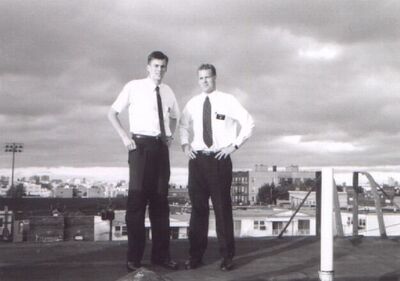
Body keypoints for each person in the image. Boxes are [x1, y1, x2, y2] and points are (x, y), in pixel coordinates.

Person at [108, 51, 180, 272]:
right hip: (140, 147)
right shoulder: (134, 87)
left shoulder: (167, 91)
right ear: (148, 67)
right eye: (156, 66)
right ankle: (134, 259)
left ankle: (161, 257)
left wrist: (171, 136)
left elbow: (176, 116)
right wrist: (124, 137)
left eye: (163, 67)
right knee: (137, 206)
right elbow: (112, 113)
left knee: (160, 204)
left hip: (161, 148)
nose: (159, 70)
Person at [179, 64, 254, 271]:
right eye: (201, 78)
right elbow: (183, 125)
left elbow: (248, 123)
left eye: (208, 77)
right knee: (198, 211)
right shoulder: (193, 103)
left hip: (219, 161)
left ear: (215, 78)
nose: (204, 81)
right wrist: (185, 144)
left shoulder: (228, 100)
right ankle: (195, 257)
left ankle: (227, 257)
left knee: (222, 210)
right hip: (197, 161)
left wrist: (234, 146)